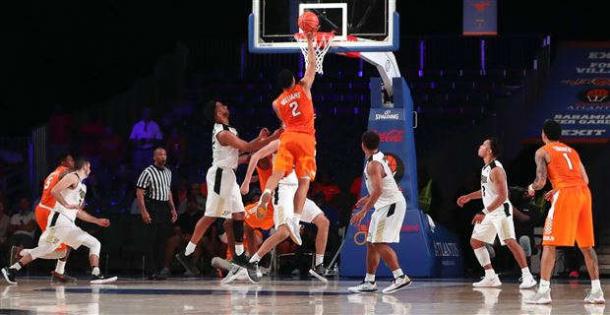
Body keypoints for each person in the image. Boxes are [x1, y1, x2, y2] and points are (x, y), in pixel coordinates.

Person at [179, 100, 278, 283]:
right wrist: (272, 138)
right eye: (221, 106)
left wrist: (259, 140)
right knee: (211, 216)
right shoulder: (222, 133)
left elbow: (240, 153)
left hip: (229, 175)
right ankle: (188, 252)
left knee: (240, 214)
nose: (225, 106)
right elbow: (247, 148)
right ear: (217, 114)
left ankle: (239, 256)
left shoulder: (230, 130)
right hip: (219, 175)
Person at [525, 120, 604, 304]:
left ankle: (543, 292)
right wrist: (560, 187)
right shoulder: (572, 151)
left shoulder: (542, 151)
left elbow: (541, 181)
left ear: (544, 135)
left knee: (549, 244)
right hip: (584, 194)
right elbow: (584, 178)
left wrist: (531, 187)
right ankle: (597, 291)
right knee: (586, 246)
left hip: (566, 195)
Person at [1, 159, 116, 285]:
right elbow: (54, 191)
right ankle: (96, 274)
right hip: (61, 221)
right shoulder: (73, 177)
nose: (90, 169)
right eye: (89, 166)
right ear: (83, 167)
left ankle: (12, 268)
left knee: (52, 251)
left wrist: (96, 221)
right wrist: (66, 204)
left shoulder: (83, 187)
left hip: (64, 224)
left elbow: (77, 212)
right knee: (94, 244)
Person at [256, 30, 318, 246]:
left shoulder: (276, 103)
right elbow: (312, 63)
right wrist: (310, 41)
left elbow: (284, 121)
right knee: (304, 182)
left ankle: (266, 193)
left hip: (288, 137)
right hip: (306, 139)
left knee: (278, 173)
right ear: (293, 79)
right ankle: (296, 219)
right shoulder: (303, 87)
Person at [240, 139, 330, 282]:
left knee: (323, 222)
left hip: (297, 194)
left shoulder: (305, 145)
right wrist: (246, 181)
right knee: (283, 233)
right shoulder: (279, 144)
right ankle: (254, 261)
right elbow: (256, 156)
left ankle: (318, 265)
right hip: (282, 193)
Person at [456, 138, 536, 289]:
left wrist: (483, 211)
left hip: (500, 210)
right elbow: (487, 192)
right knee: (476, 241)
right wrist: (468, 197)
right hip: (491, 211)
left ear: (490, 150)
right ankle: (491, 277)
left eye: (483, 145)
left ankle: (528, 276)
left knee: (509, 241)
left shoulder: (496, 169)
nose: (480, 146)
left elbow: (503, 195)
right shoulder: (485, 168)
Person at [348, 131, 411, 294]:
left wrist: (363, 211)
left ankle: (400, 276)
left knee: (378, 243)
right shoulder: (377, 157)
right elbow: (381, 185)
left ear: (362, 145)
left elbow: (378, 190)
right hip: (383, 205)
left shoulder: (373, 164)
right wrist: (367, 197)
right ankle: (369, 281)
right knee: (371, 242)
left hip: (391, 205)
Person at [32, 153, 77, 283]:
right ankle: (21, 253)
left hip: (45, 210)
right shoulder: (65, 173)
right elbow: (73, 187)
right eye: (71, 159)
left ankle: (59, 273)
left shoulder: (54, 173)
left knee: (66, 243)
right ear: (63, 161)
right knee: (57, 249)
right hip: (48, 212)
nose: (73, 161)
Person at [135, 147, 178, 280]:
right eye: (160, 154)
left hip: (163, 207)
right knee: (151, 240)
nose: (163, 156)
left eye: (164, 154)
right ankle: (150, 271)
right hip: (152, 205)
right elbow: (139, 192)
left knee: (162, 240)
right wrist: (144, 212)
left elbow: (168, 191)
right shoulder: (148, 171)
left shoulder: (168, 172)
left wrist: (173, 209)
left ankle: (159, 270)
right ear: (154, 157)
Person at [130, 107, 163, 172]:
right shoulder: (137, 125)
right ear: (142, 114)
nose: (147, 114)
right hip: (138, 151)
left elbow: (159, 139)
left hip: (149, 151)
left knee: (150, 170)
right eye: (145, 112)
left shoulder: (155, 125)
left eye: (148, 113)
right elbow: (132, 138)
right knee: (137, 169)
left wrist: (149, 141)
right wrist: (138, 142)